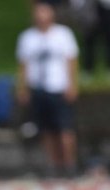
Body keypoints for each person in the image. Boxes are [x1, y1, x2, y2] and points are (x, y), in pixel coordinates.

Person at [15, 1, 80, 177]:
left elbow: (71, 61)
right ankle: (53, 165)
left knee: (64, 129)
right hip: (38, 88)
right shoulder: (27, 38)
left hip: (58, 87)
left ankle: (69, 164)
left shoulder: (63, 35)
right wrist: (22, 88)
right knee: (46, 130)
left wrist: (72, 84)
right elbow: (23, 65)